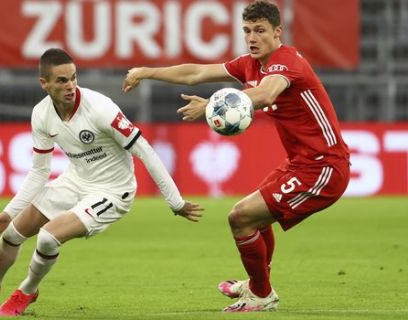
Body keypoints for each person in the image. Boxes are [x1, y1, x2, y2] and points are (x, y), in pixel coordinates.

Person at [123, 0, 350, 313]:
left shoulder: (287, 61)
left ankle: (261, 294)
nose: (252, 37)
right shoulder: (249, 64)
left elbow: (267, 93)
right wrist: (147, 72)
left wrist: (214, 104)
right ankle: (257, 285)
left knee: (240, 217)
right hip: (300, 163)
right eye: (247, 31)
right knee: (254, 217)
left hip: (324, 167)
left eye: (260, 30)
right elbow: (197, 72)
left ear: (277, 32)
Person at [0, 48, 203, 317]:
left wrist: (175, 201)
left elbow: (145, 151)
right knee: (11, 233)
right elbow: (39, 172)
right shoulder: (41, 114)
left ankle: (27, 291)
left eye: (73, 78)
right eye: (61, 80)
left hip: (113, 192)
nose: (70, 86)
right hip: (75, 179)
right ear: (44, 84)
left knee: (47, 238)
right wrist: (8, 212)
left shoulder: (100, 109)